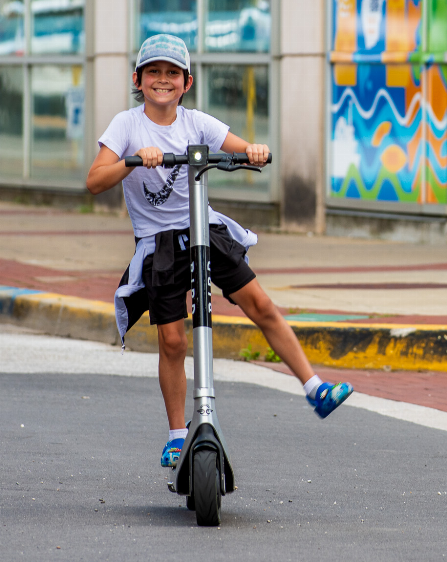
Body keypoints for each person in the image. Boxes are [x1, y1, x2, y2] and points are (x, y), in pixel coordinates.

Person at [86, 34, 352, 468]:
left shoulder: (197, 124)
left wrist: (254, 151)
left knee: (260, 304)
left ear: (186, 82)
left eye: (172, 73)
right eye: (153, 72)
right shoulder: (127, 125)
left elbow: (244, 150)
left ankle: (314, 387)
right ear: (138, 79)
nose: (162, 81)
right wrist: (134, 159)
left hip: (204, 230)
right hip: (159, 244)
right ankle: (177, 435)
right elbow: (95, 181)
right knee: (172, 339)